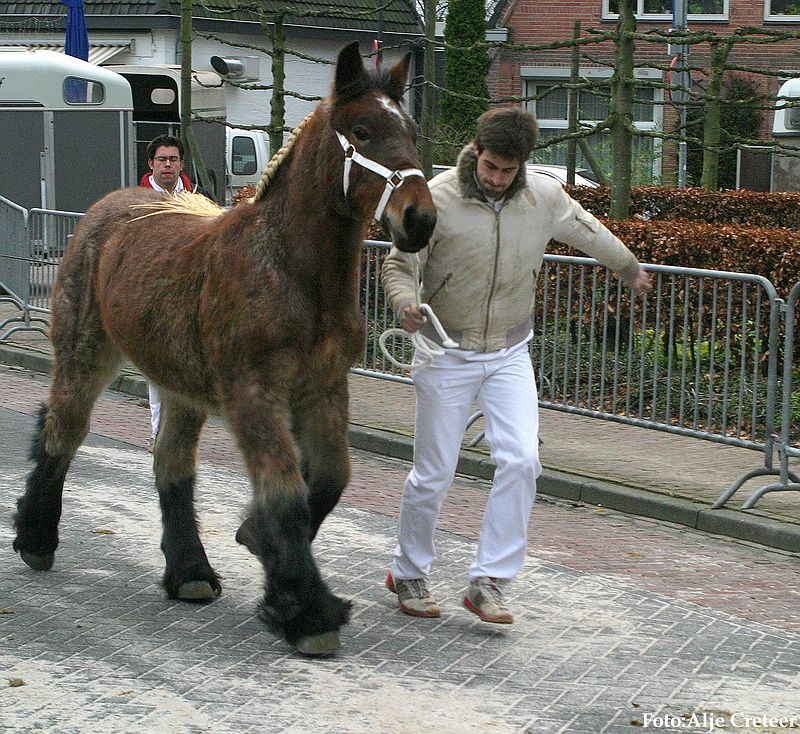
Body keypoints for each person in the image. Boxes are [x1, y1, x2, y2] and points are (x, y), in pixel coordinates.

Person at [381, 107, 651, 624]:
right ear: (476, 150)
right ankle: (410, 570)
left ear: (523, 165)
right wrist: (404, 303)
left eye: (506, 171)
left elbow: (587, 230)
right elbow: (399, 263)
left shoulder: (541, 196)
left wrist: (628, 267)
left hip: (509, 352)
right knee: (434, 472)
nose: (495, 178)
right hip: (444, 351)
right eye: (488, 166)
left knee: (523, 459)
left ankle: (489, 581)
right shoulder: (436, 198)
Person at [139, 134, 212, 451]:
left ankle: (182, 434)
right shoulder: (135, 202)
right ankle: (159, 433)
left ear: (182, 163)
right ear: (151, 164)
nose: (167, 165)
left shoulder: (199, 196)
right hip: (153, 294)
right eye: (161, 160)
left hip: (192, 293)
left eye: (173, 159)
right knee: (157, 367)